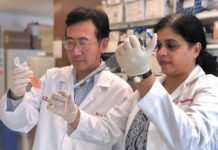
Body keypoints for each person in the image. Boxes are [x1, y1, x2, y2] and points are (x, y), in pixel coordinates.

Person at [47, 13, 218, 150]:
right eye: (158, 46)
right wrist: (73, 115)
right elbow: (110, 129)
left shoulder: (208, 87)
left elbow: (193, 141)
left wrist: (143, 76)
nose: (161, 53)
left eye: (171, 46)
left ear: (195, 49)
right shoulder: (149, 87)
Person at [0, 7, 133, 150]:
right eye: (70, 42)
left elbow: (117, 139)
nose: (75, 51)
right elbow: (20, 122)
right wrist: (16, 96)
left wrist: (76, 117)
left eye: (83, 43)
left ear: (104, 45)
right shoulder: (51, 78)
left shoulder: (120, 91)